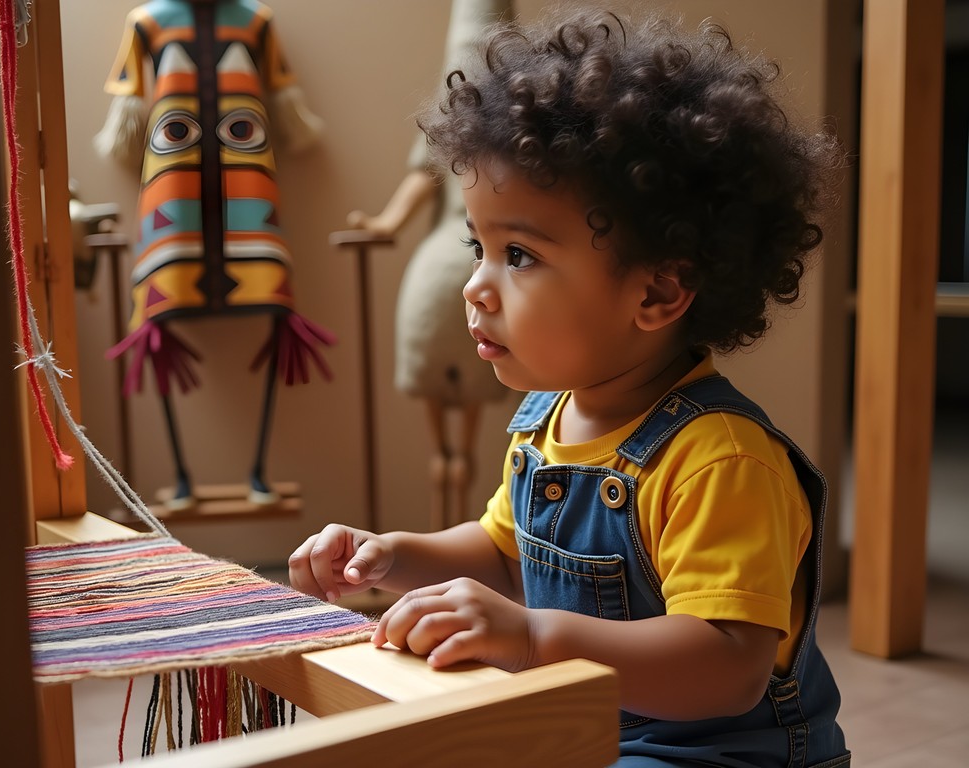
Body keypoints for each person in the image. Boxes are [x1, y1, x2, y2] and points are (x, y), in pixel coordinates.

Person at [290, 6, 849, 766]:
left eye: (518, 255)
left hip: (716, 756)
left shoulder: (722, 462)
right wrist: (393, 556)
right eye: (477, 246)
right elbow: (506, 551)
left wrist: (531, 635)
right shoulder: (546, 419)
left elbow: (726, 668)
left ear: (658, 293)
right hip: (592, 726)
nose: (476, 287)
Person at [344, 0, 513, 531]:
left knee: (443, 441)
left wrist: (384, 224)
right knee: (462, 441)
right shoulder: (516, 133)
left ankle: (449, 544)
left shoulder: (459, 120)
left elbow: (417, 186)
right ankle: (453, 545)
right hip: (476, 270)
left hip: (440, 270)